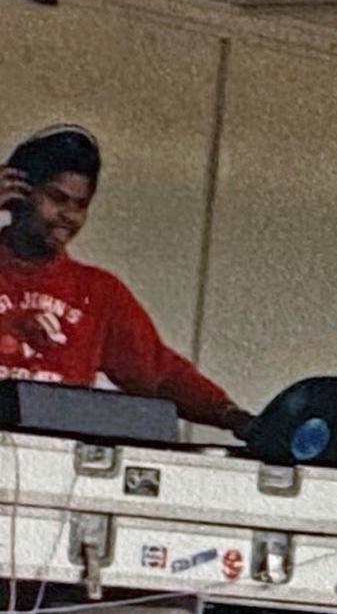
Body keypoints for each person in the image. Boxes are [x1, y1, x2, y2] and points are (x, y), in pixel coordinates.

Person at [0, 125, 253, 434]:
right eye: (57, 198)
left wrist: (234, 417)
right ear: (17, 196)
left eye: (80, 205)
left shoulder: (97, 291)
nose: (68, 215)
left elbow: (160, 375)